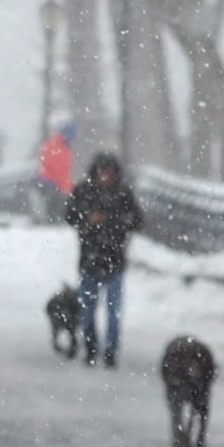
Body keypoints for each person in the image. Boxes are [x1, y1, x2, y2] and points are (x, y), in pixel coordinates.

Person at [64, 152, 142, 369]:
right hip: (90, 261)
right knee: (87, 311)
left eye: (109, 172)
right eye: (102, 172)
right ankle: (90, 348)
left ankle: (110, 352)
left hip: (114, 262)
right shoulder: (83, 192)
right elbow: (69, 215)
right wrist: (87, 218)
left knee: (113, 313)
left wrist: (112, 221)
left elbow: (137, 220)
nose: (105, 176)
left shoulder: (123, 194)